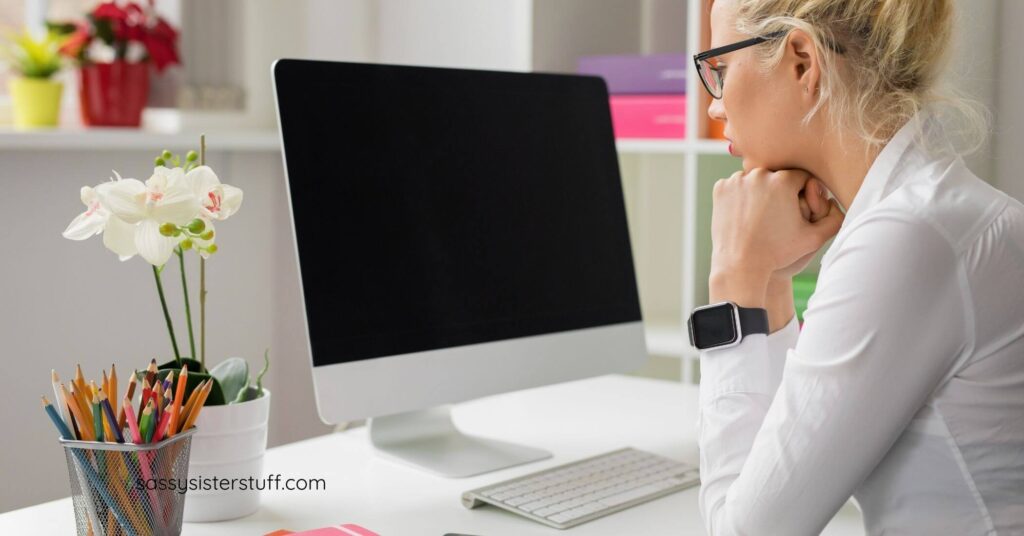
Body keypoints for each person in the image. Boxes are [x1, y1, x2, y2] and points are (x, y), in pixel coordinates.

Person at [690, 0, 1024, 534]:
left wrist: (736, 281)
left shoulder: (908, 238)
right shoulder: (931, 213)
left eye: (720, 69)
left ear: (803, 61)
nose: (714, 105)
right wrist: (772, 281)